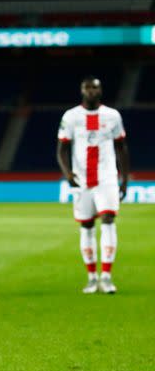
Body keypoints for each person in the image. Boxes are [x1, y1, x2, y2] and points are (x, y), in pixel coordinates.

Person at [57, 76, 129, 294]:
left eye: (94, 87)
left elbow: (121, 148)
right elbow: (61, 148)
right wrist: (67, 172)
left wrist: (124, 179)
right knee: (87, 226)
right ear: (82, 91)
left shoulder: (112, 116)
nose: (91, 91)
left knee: (108, 219)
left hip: (107, 178)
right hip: (82, 180)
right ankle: (91, 277)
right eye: (87, 87)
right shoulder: (71, 117)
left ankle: (106, 276)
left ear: (100, 91)